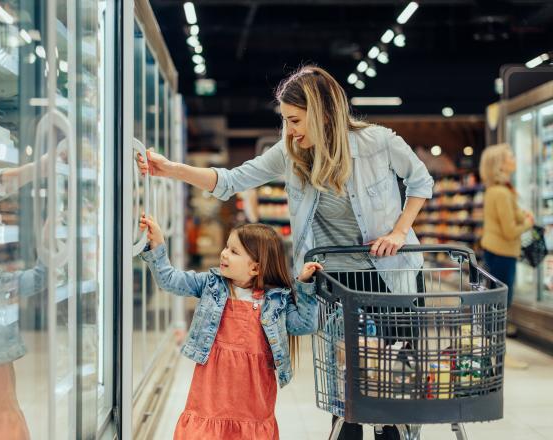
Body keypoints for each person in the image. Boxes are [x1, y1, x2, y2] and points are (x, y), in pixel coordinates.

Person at [137, 65, 433, 439]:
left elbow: (421, 181)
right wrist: (172, 169)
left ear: (323, 113)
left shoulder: (379, 142)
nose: (289, 130)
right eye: (286, 121)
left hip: (394, 274)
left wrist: (399, 231)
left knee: (396, 378)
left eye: (295, 120)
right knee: (347, 384)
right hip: (336, 282)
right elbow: (231, 180)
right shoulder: (292, 154)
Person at [139, 215, 320, 440]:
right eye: (226, 247)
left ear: (255, 268)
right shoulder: (210, 284)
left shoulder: (276, 301)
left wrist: (304, 286)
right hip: (211, 388)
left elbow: (305, 324)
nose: (224, 253)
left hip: (253, 396)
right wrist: (157, 245)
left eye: (234, 252)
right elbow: (169, 280)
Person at [479, 143, 533, 365]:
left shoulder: (500, 190)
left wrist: (522, 215)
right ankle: (499, 354)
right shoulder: (500, 192)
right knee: (501, 305)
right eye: (510, 155)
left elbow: (511, 218)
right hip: (501, 253)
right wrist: (528, 223)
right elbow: (510, 231)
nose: (514, 157)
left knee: (497, 304)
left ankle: (497, 352)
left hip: (498, 252)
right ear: (500, 164)